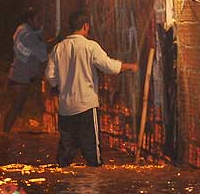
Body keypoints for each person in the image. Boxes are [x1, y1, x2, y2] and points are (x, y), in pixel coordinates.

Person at [45, 11, 138, 167]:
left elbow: (50, 75)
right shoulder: (90, 46)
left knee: (65, 157)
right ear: (86, 26)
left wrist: (57, 87)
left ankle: (63, 188)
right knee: (93, 156)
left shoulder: (58, 49)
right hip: (86, 108)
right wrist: (130, 66)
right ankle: (92, 187)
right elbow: (108, 66)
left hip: (65, 109)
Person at [2, 7, 47, 133]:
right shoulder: (27, 35)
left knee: (17, 107)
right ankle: (4, 135)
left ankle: (5, 134)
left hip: (22, 77)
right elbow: (42, 53)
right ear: (29, 20)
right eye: (38, 19)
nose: (40, 22)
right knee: (16, 107)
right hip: (19, 78)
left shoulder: (23, 31)